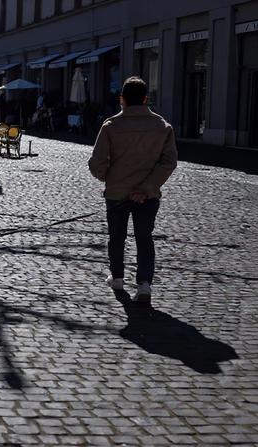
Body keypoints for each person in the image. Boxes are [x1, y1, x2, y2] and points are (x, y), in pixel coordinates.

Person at [88, 76, 178, 305]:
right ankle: (144, 284)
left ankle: (117, 278)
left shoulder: (111, 126)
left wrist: (110, 178)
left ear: (122, 100)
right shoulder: (162, 126)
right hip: (148, 195)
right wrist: (147, 187)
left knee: (116, 237)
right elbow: (168, 162)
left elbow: (96, 163)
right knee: (144, 238)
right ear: (146, 99)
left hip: (117, 193)